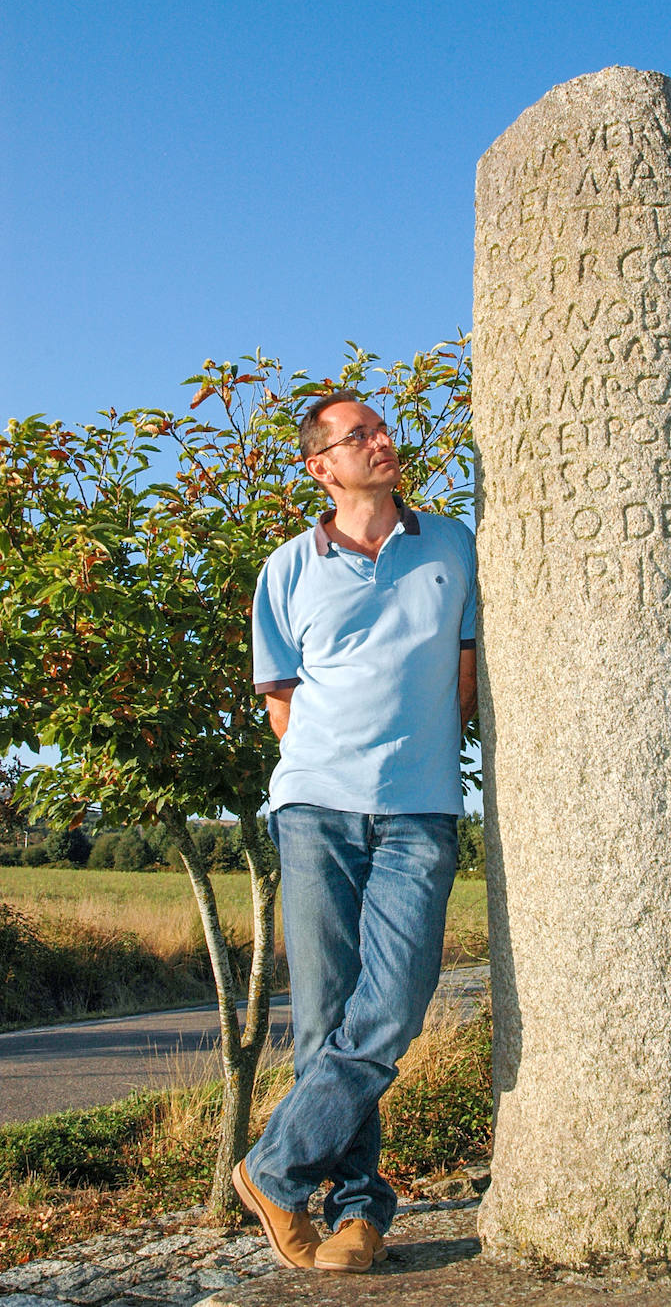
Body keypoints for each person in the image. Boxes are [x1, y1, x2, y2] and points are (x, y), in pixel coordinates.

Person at [232, 391, 477, 1274]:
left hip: (420, 809)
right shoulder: (286, 568)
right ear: (321, 466)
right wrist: (330, 775)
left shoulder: (452, 542)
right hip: (315, 811)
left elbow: (464, 673)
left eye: (381, 428)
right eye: (359, 435)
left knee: (395, 1004)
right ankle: (359, 1214)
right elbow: (280, 695)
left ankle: (272, 1169)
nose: (382, 440)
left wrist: (405, 758)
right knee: (331, 1015)